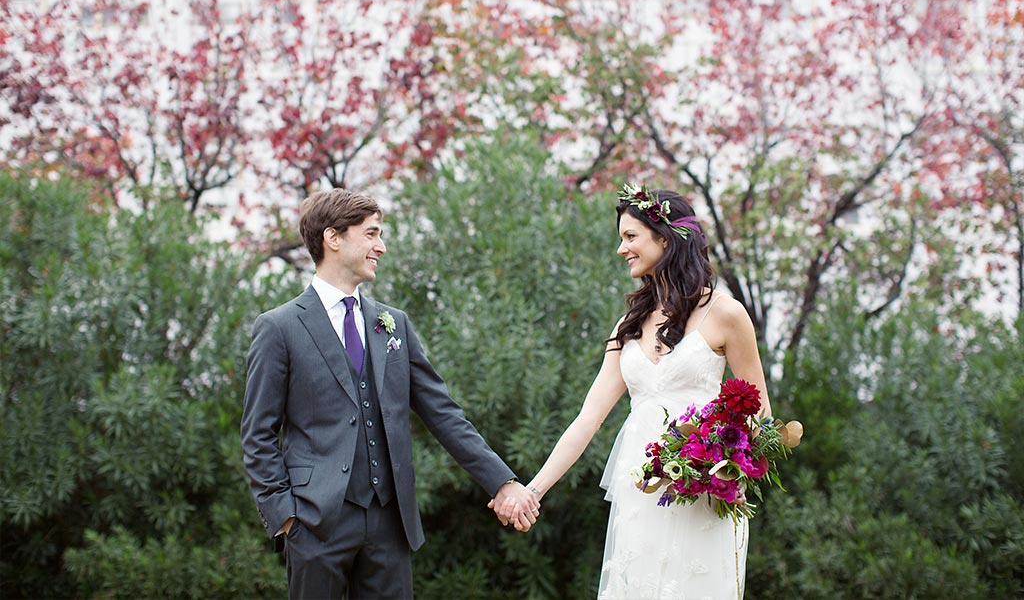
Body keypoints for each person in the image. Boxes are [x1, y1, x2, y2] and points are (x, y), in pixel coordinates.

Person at [240, 188, 539, 600]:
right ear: (333, 238)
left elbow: (443, 413)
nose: (381, 246)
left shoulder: (392, 323)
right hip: (314, 522)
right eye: (371, 234)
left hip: (389, 524)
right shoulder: (279, 327)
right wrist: (286, 517)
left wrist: (501, 483)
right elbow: (258, 435)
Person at [501, 184, 772, 599]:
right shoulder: (627, 327)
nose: (621, 249)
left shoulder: (727, 314)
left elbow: (761, 418)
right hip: (641, 495)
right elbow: (587, 419)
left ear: (664, 239)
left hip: (702, 501)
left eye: (630, 237)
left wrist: (716, 462)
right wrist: (532, 491)